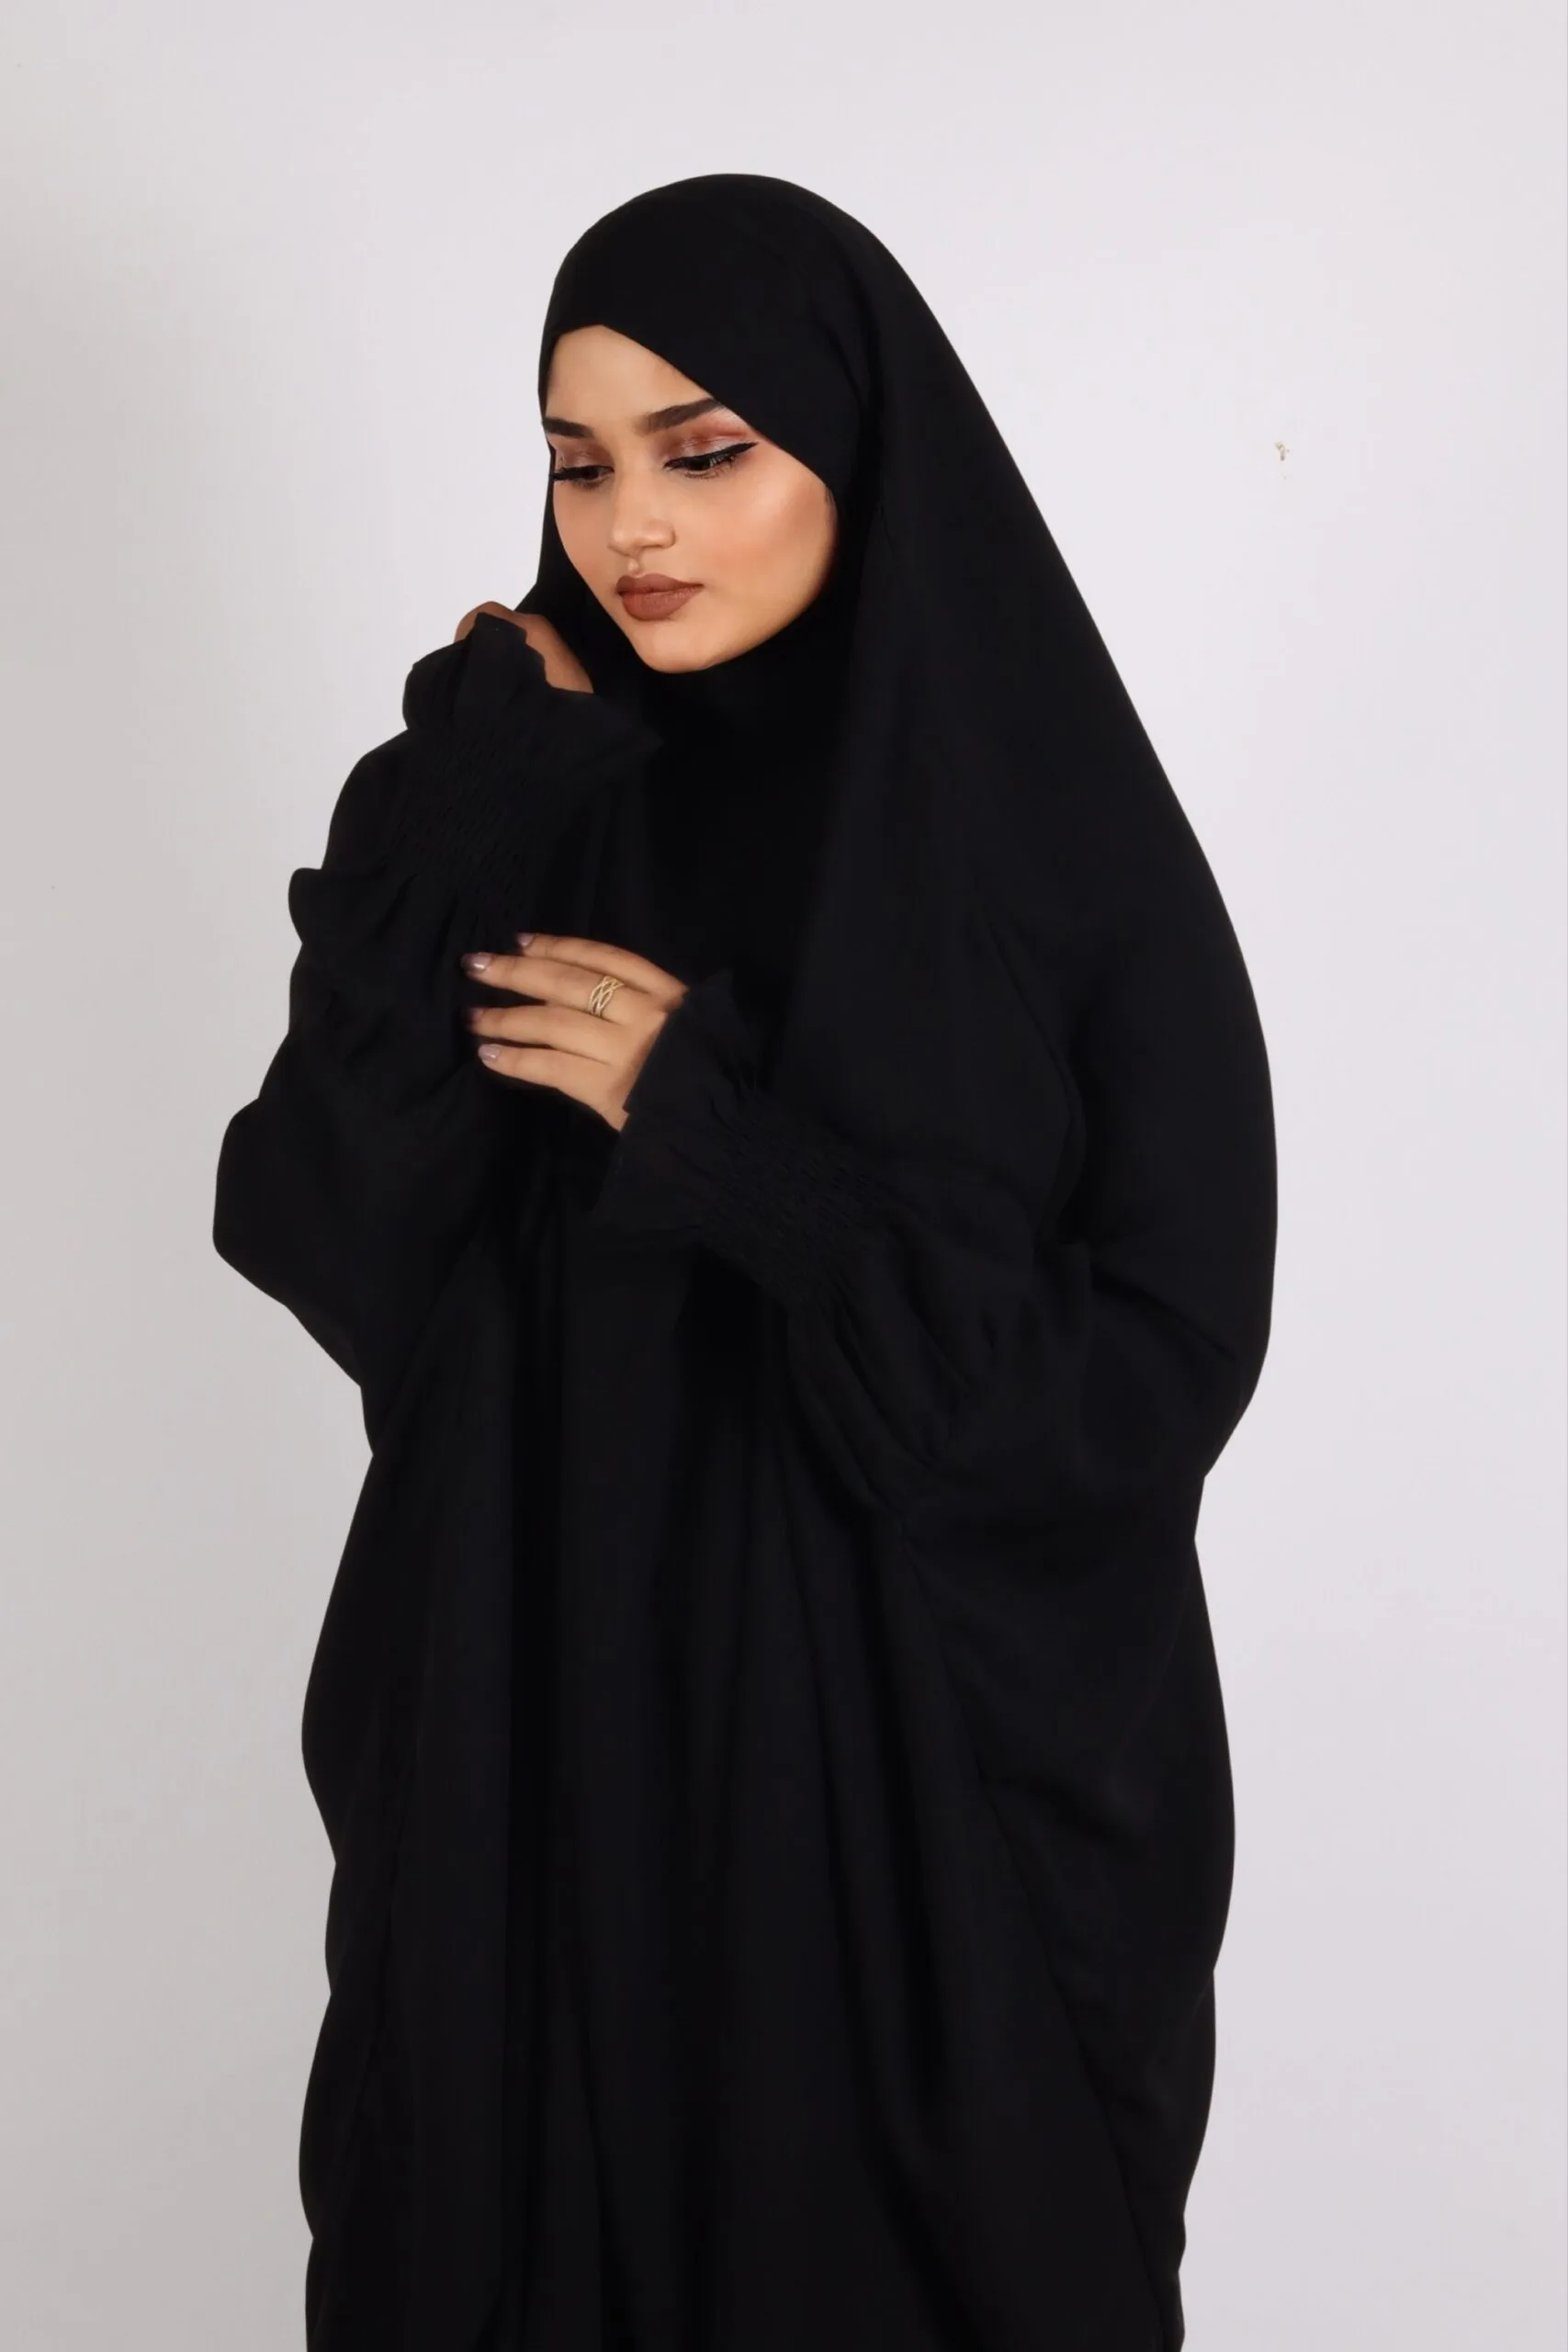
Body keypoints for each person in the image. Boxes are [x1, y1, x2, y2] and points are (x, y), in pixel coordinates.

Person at [213, 173, 1277, 2352]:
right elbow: (326, 1232)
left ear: (855, 452)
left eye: (703, 451)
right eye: (576, 459)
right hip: (524, 1754)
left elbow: (1150, 1380)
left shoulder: (1047, 857)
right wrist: (454, 813)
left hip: (892, 1831)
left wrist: (740, 1156)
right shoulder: (519, 792)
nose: (632, 524)